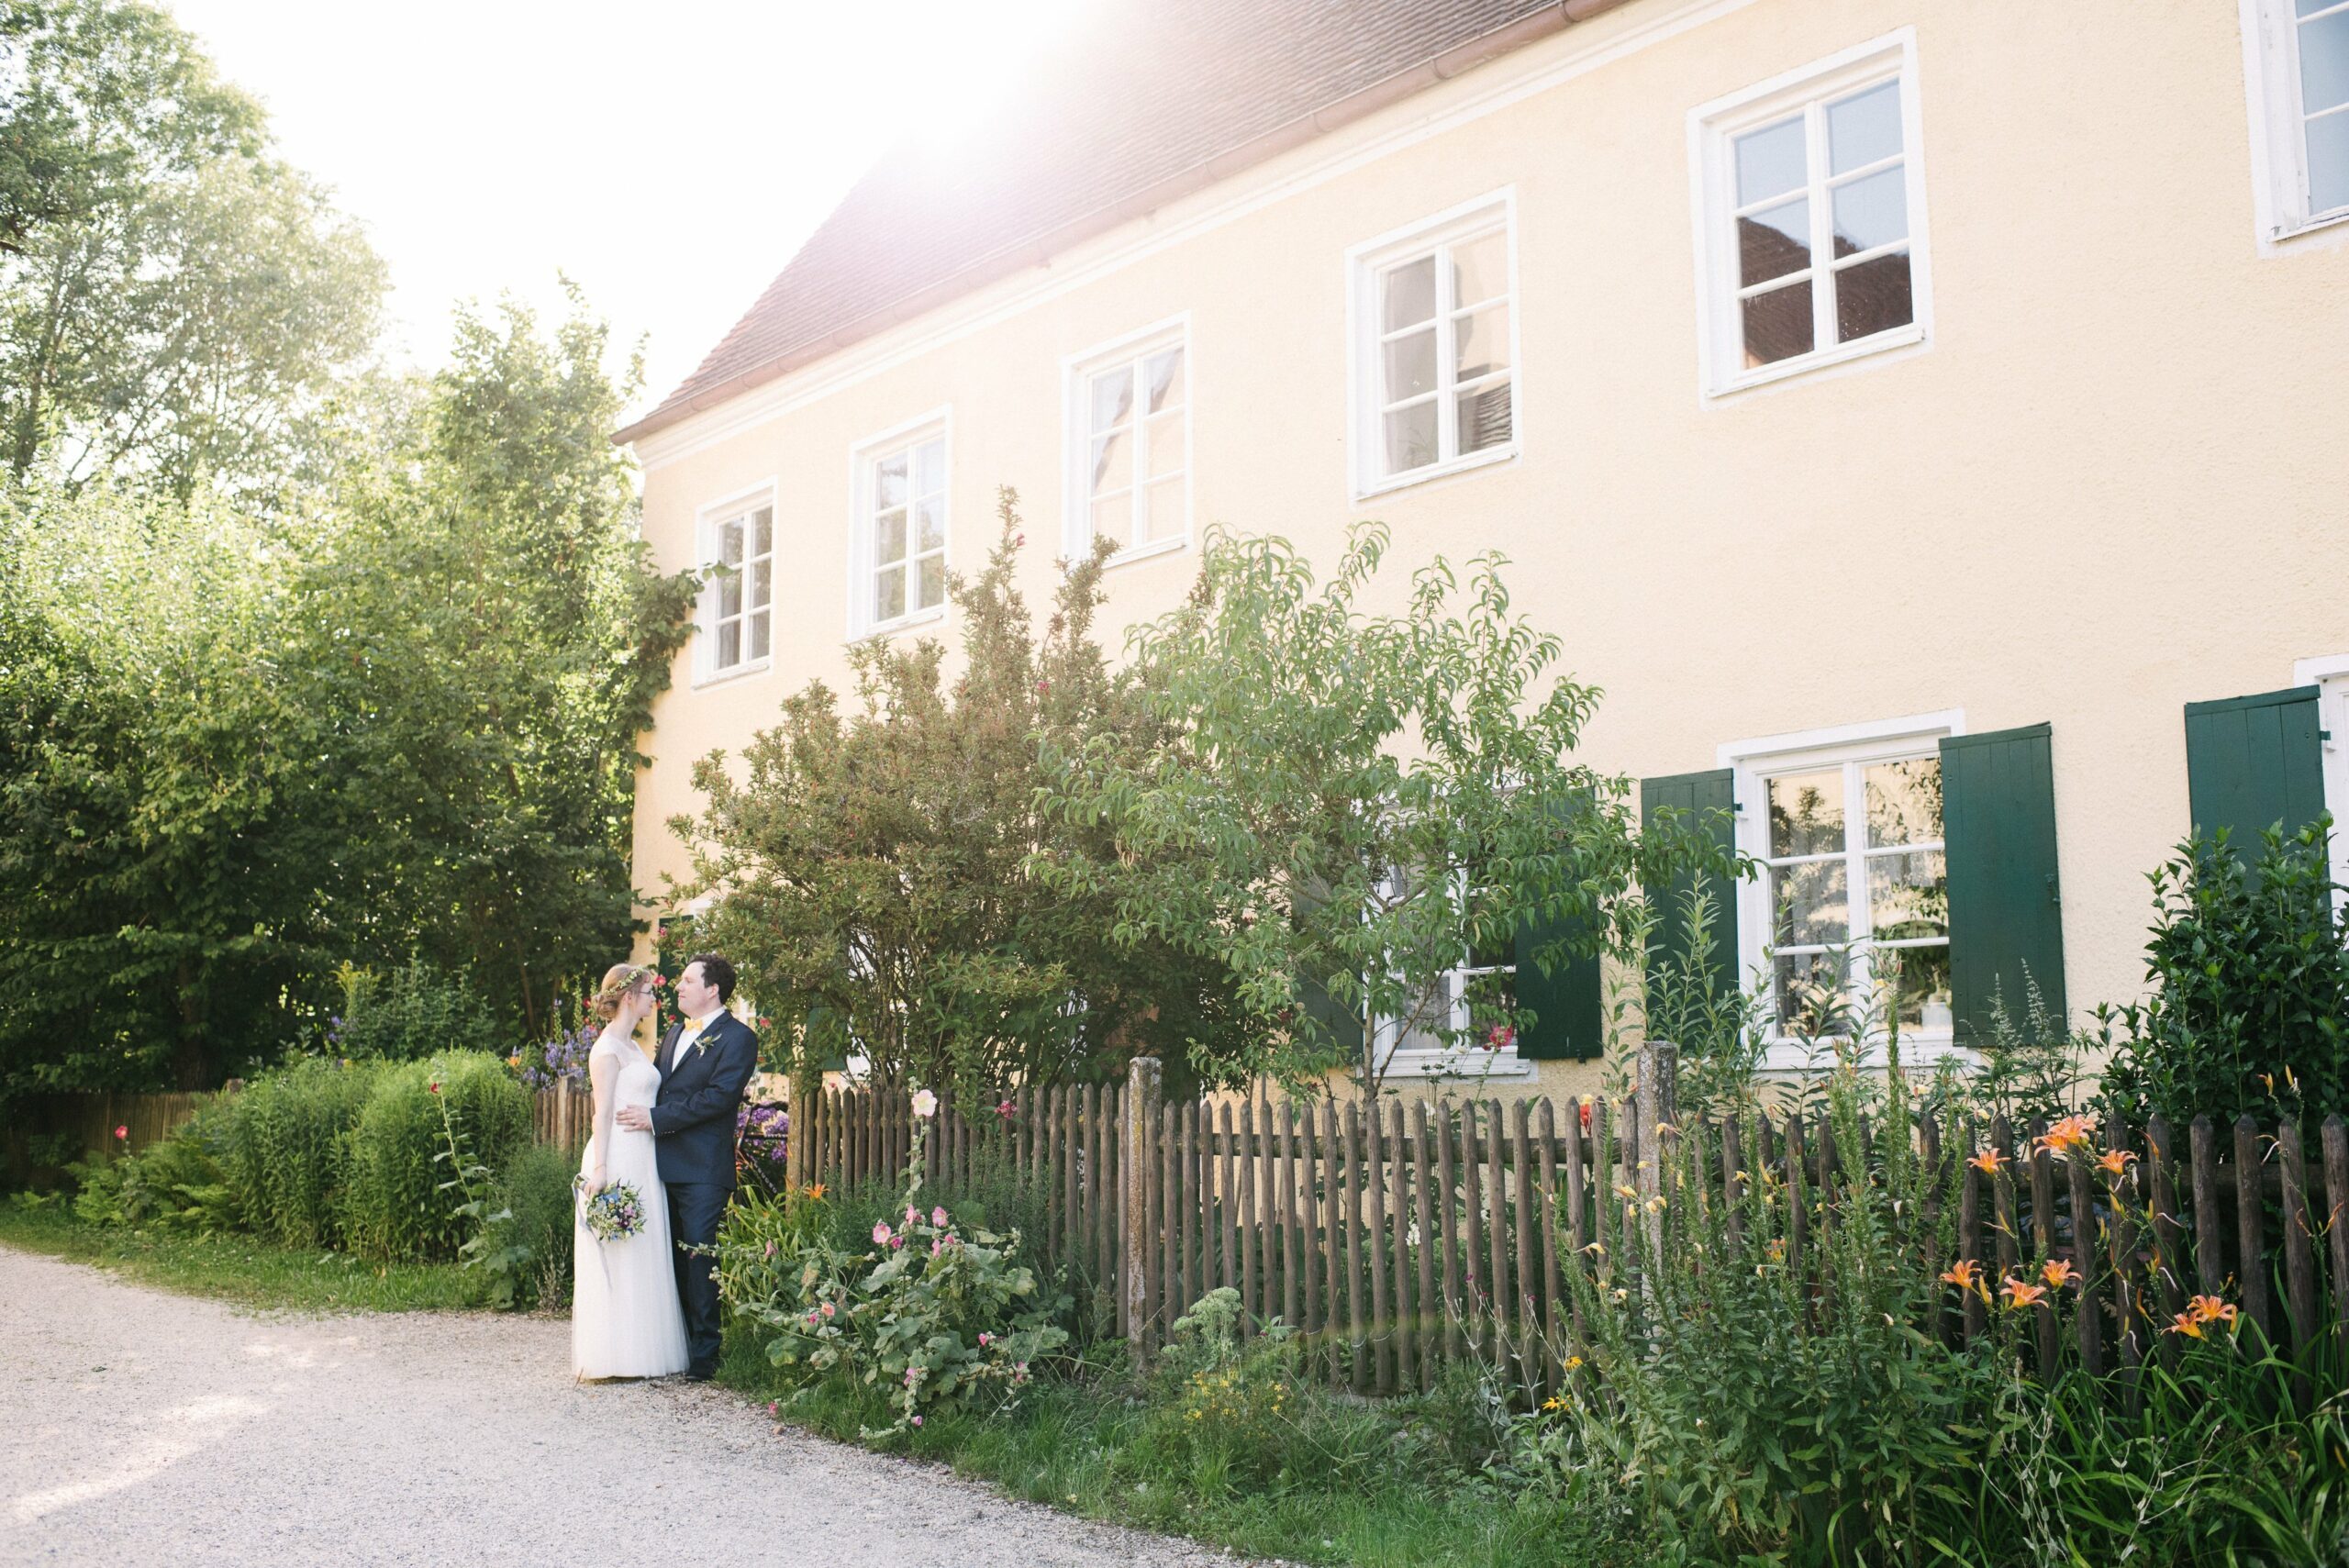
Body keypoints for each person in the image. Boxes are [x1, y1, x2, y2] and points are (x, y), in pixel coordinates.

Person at [615, 952, 758, 1381]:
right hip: (658, 1163)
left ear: (712, 990)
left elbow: (718, 1098)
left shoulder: (739, 1038)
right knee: (668, 1258)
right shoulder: (676, 1031)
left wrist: (655, 1119)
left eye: (688, 981)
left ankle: (706, 1354)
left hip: (702, 1168)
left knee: (698, 1256)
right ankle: (675, 1345)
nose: (677, 986)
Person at [570, 963, 688, 1380]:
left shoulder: (634, 1046)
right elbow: (601, 1114)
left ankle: (647, 1352)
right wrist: (600, 1170)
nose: (654, 999)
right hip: (618, 1156)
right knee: (622, 1252)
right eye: (648, 992)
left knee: (645, 1249)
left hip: (644, 1158)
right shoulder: (606, 1050)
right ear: (629, 997)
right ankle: (616, 1355)